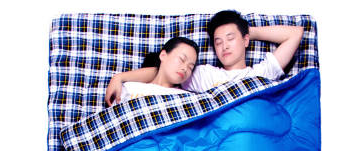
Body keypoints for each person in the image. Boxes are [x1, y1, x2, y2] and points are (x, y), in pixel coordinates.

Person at [105, 10, 304, 106]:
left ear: (245, 40)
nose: (224, 46)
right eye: (218, 42)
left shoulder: (261, 73)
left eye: (230, 39)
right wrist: (120, 78)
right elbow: (163, 71)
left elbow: (295, 34)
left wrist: (246, 31)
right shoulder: (203, 74)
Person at [108, 37, 199, 106]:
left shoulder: (187, 98)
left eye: (190, 67)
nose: (185, 68)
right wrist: (118, 77)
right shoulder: (129, 88)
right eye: (181, 59)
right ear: (163, 55)